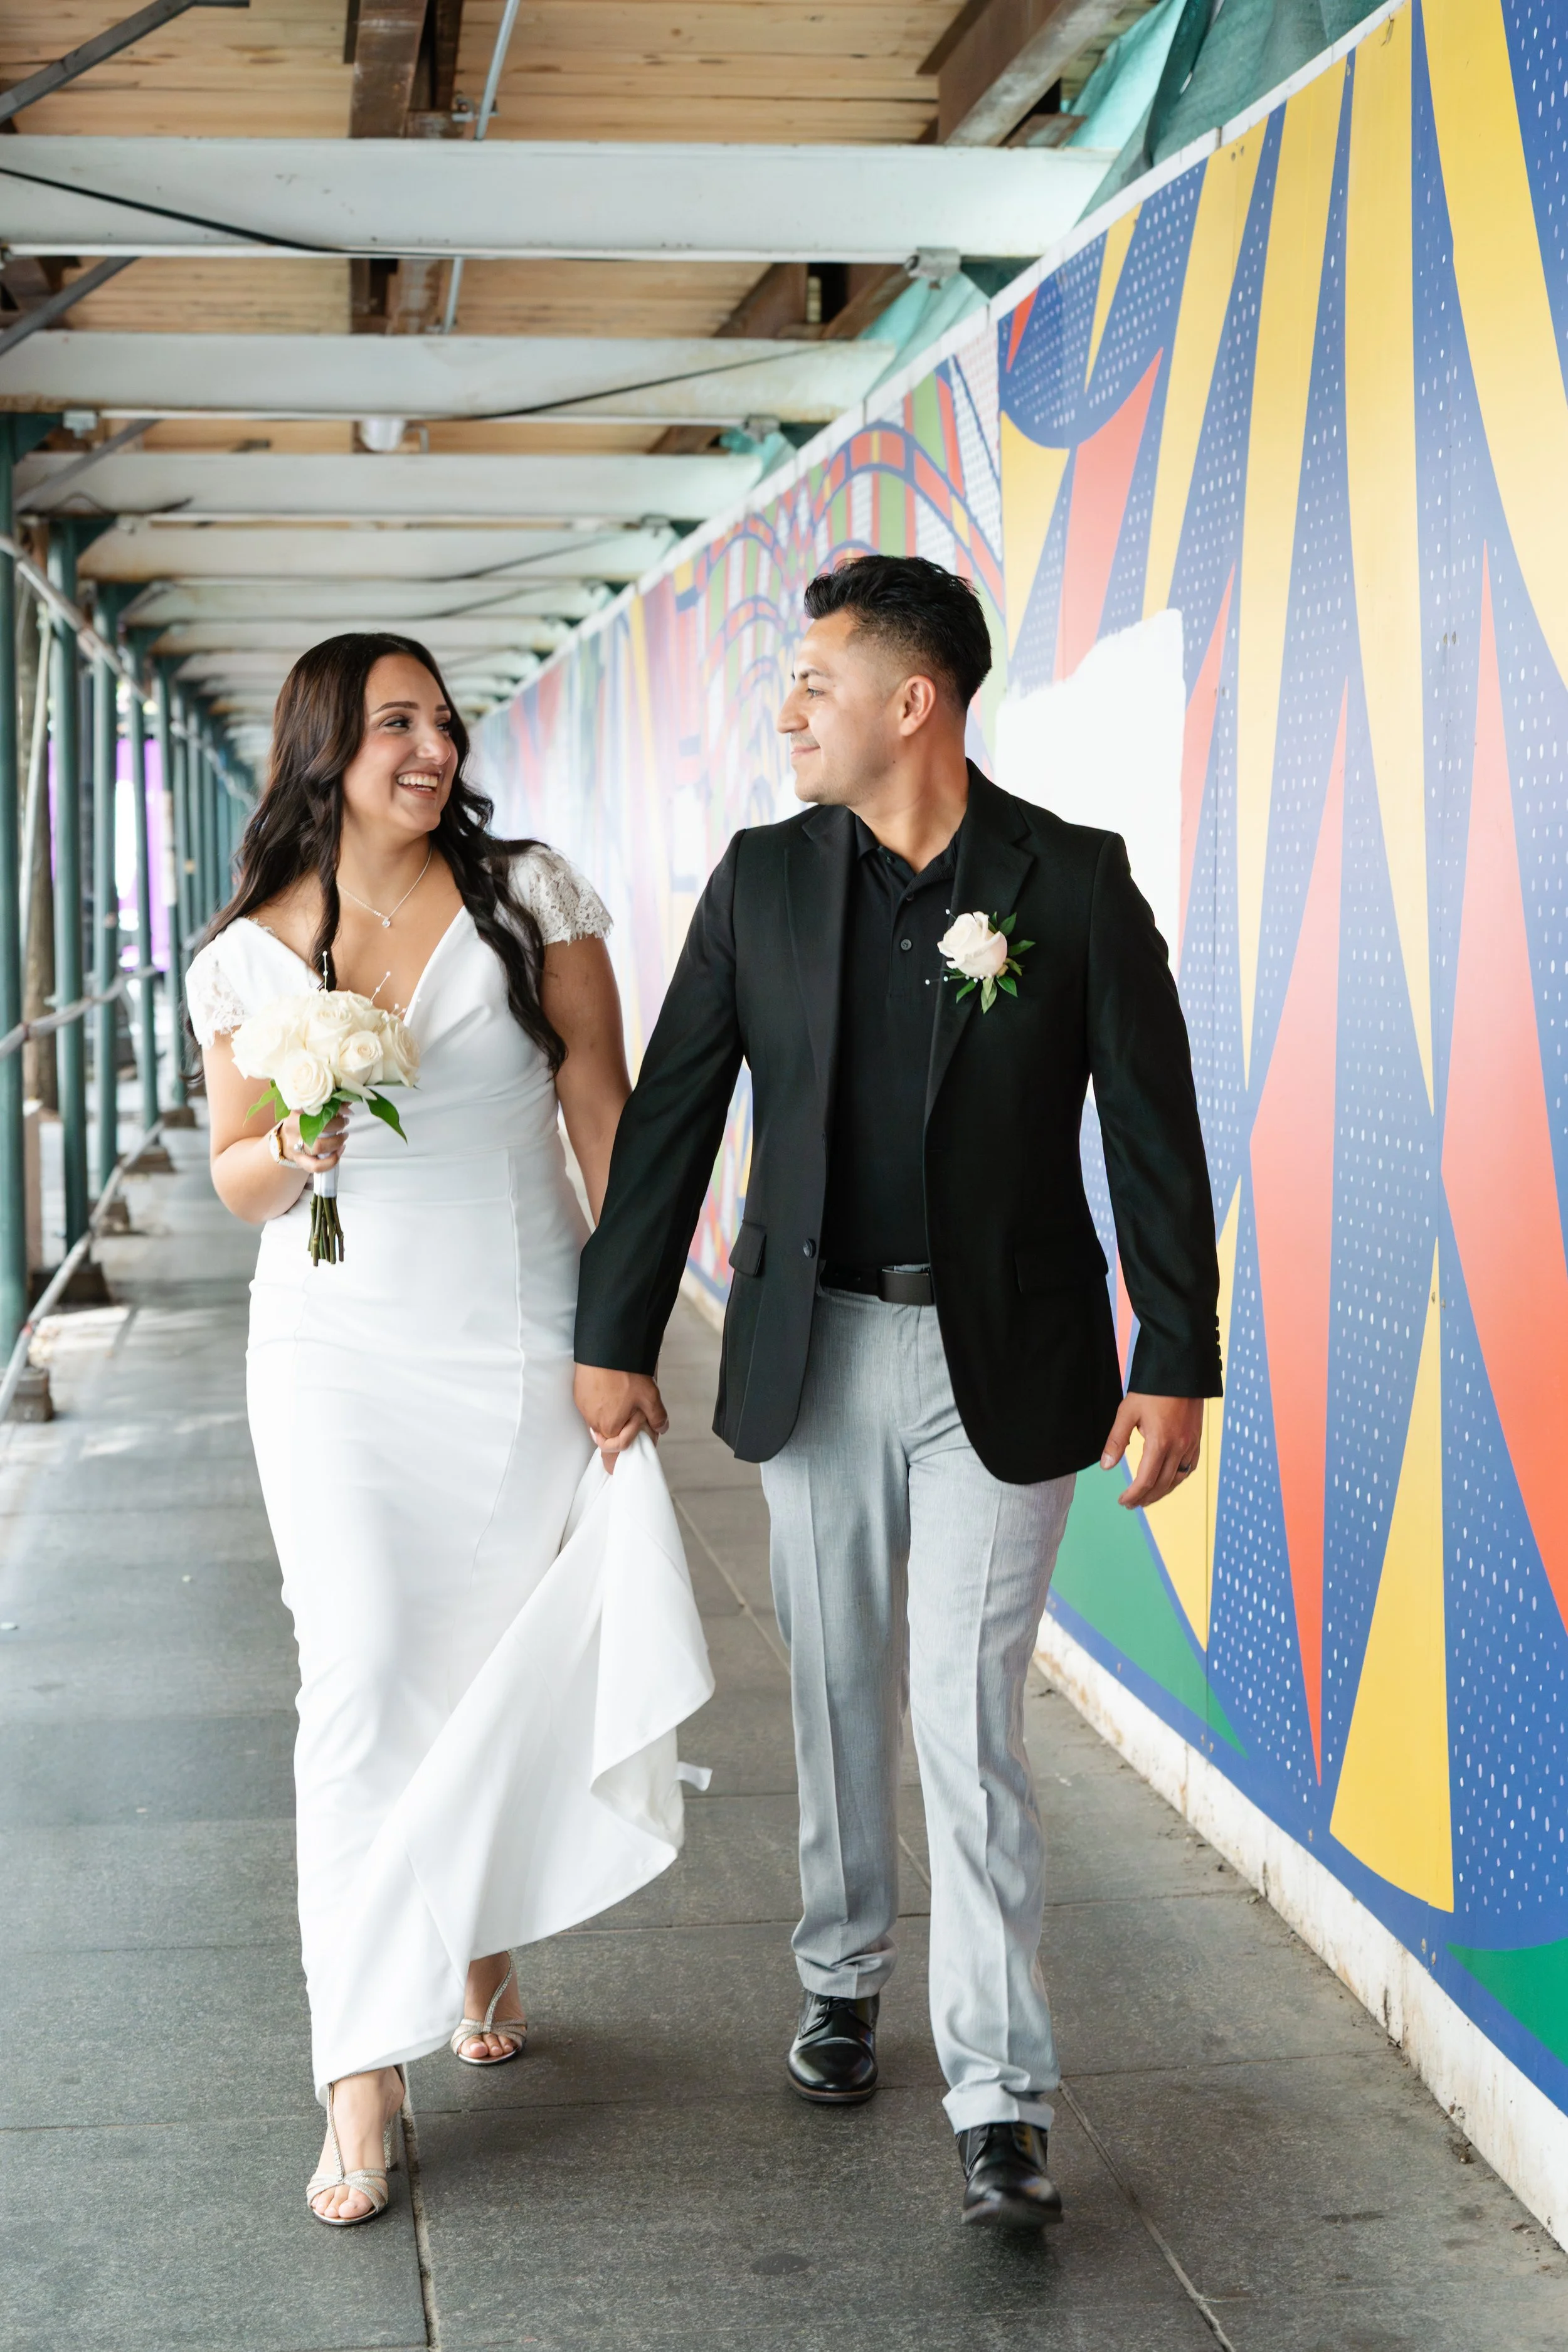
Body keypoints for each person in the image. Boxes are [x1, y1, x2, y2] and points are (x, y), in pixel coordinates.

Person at [573, 554, 1222, 2230]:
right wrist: (614, 1328)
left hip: (1004, 1360)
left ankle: (1000, 2090)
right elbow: (670, 1121)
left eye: (813, 676)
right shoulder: (761, 881)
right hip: (816, 1349)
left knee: (968, 1717)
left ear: (908, 701)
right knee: (836, 1691)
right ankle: (841, 1969)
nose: (787, 706)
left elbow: (1153, 1135)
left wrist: (1176, 1355)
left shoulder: (1068, 884)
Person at [189, 633, 652, 2226]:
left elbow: (609, 1125)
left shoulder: (532, 900)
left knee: (481, 1660)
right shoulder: (249, 951)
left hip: (517, 1338)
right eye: (396, 723)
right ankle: (359, 2073)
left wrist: (622, 1338)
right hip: (332, 1358)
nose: (432, 748)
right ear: (324, 744)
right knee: (365, 1665)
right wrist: (299, 1142)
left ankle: (473, 1926)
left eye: (443, 722)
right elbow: (235, 1173)